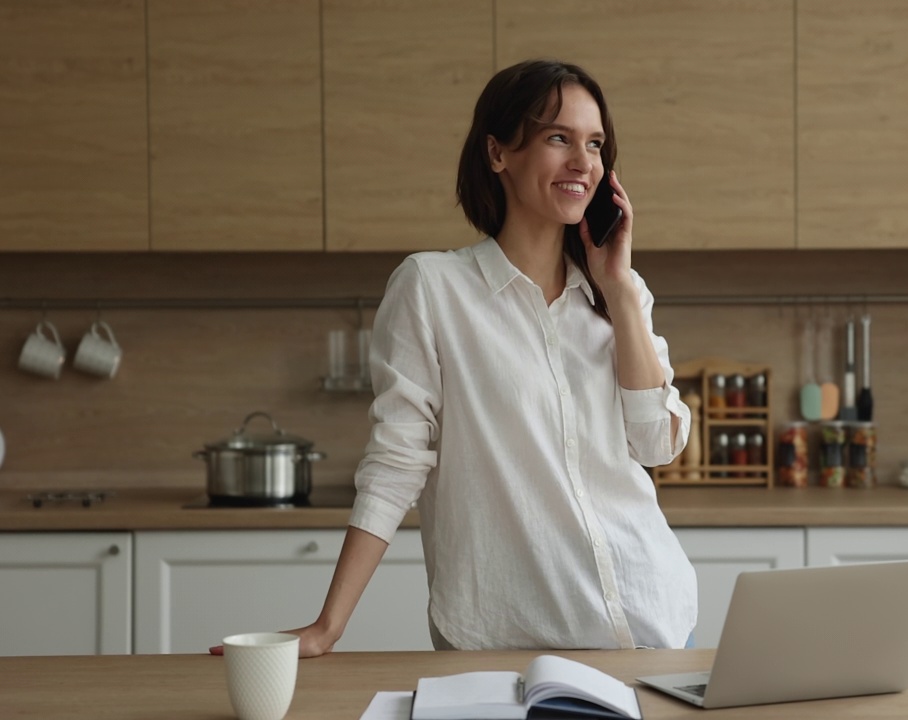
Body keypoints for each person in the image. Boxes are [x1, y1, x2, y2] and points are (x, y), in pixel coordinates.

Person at [279, 59, 694, 655]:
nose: (584, 162)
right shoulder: (432, 287)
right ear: (498, 153)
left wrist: (622, 293)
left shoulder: (622, 293)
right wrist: (328, 627)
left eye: (596, 144)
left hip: (655, 622)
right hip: (507, 642)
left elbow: (658, 446)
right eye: (559, 138)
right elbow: (397, 462)